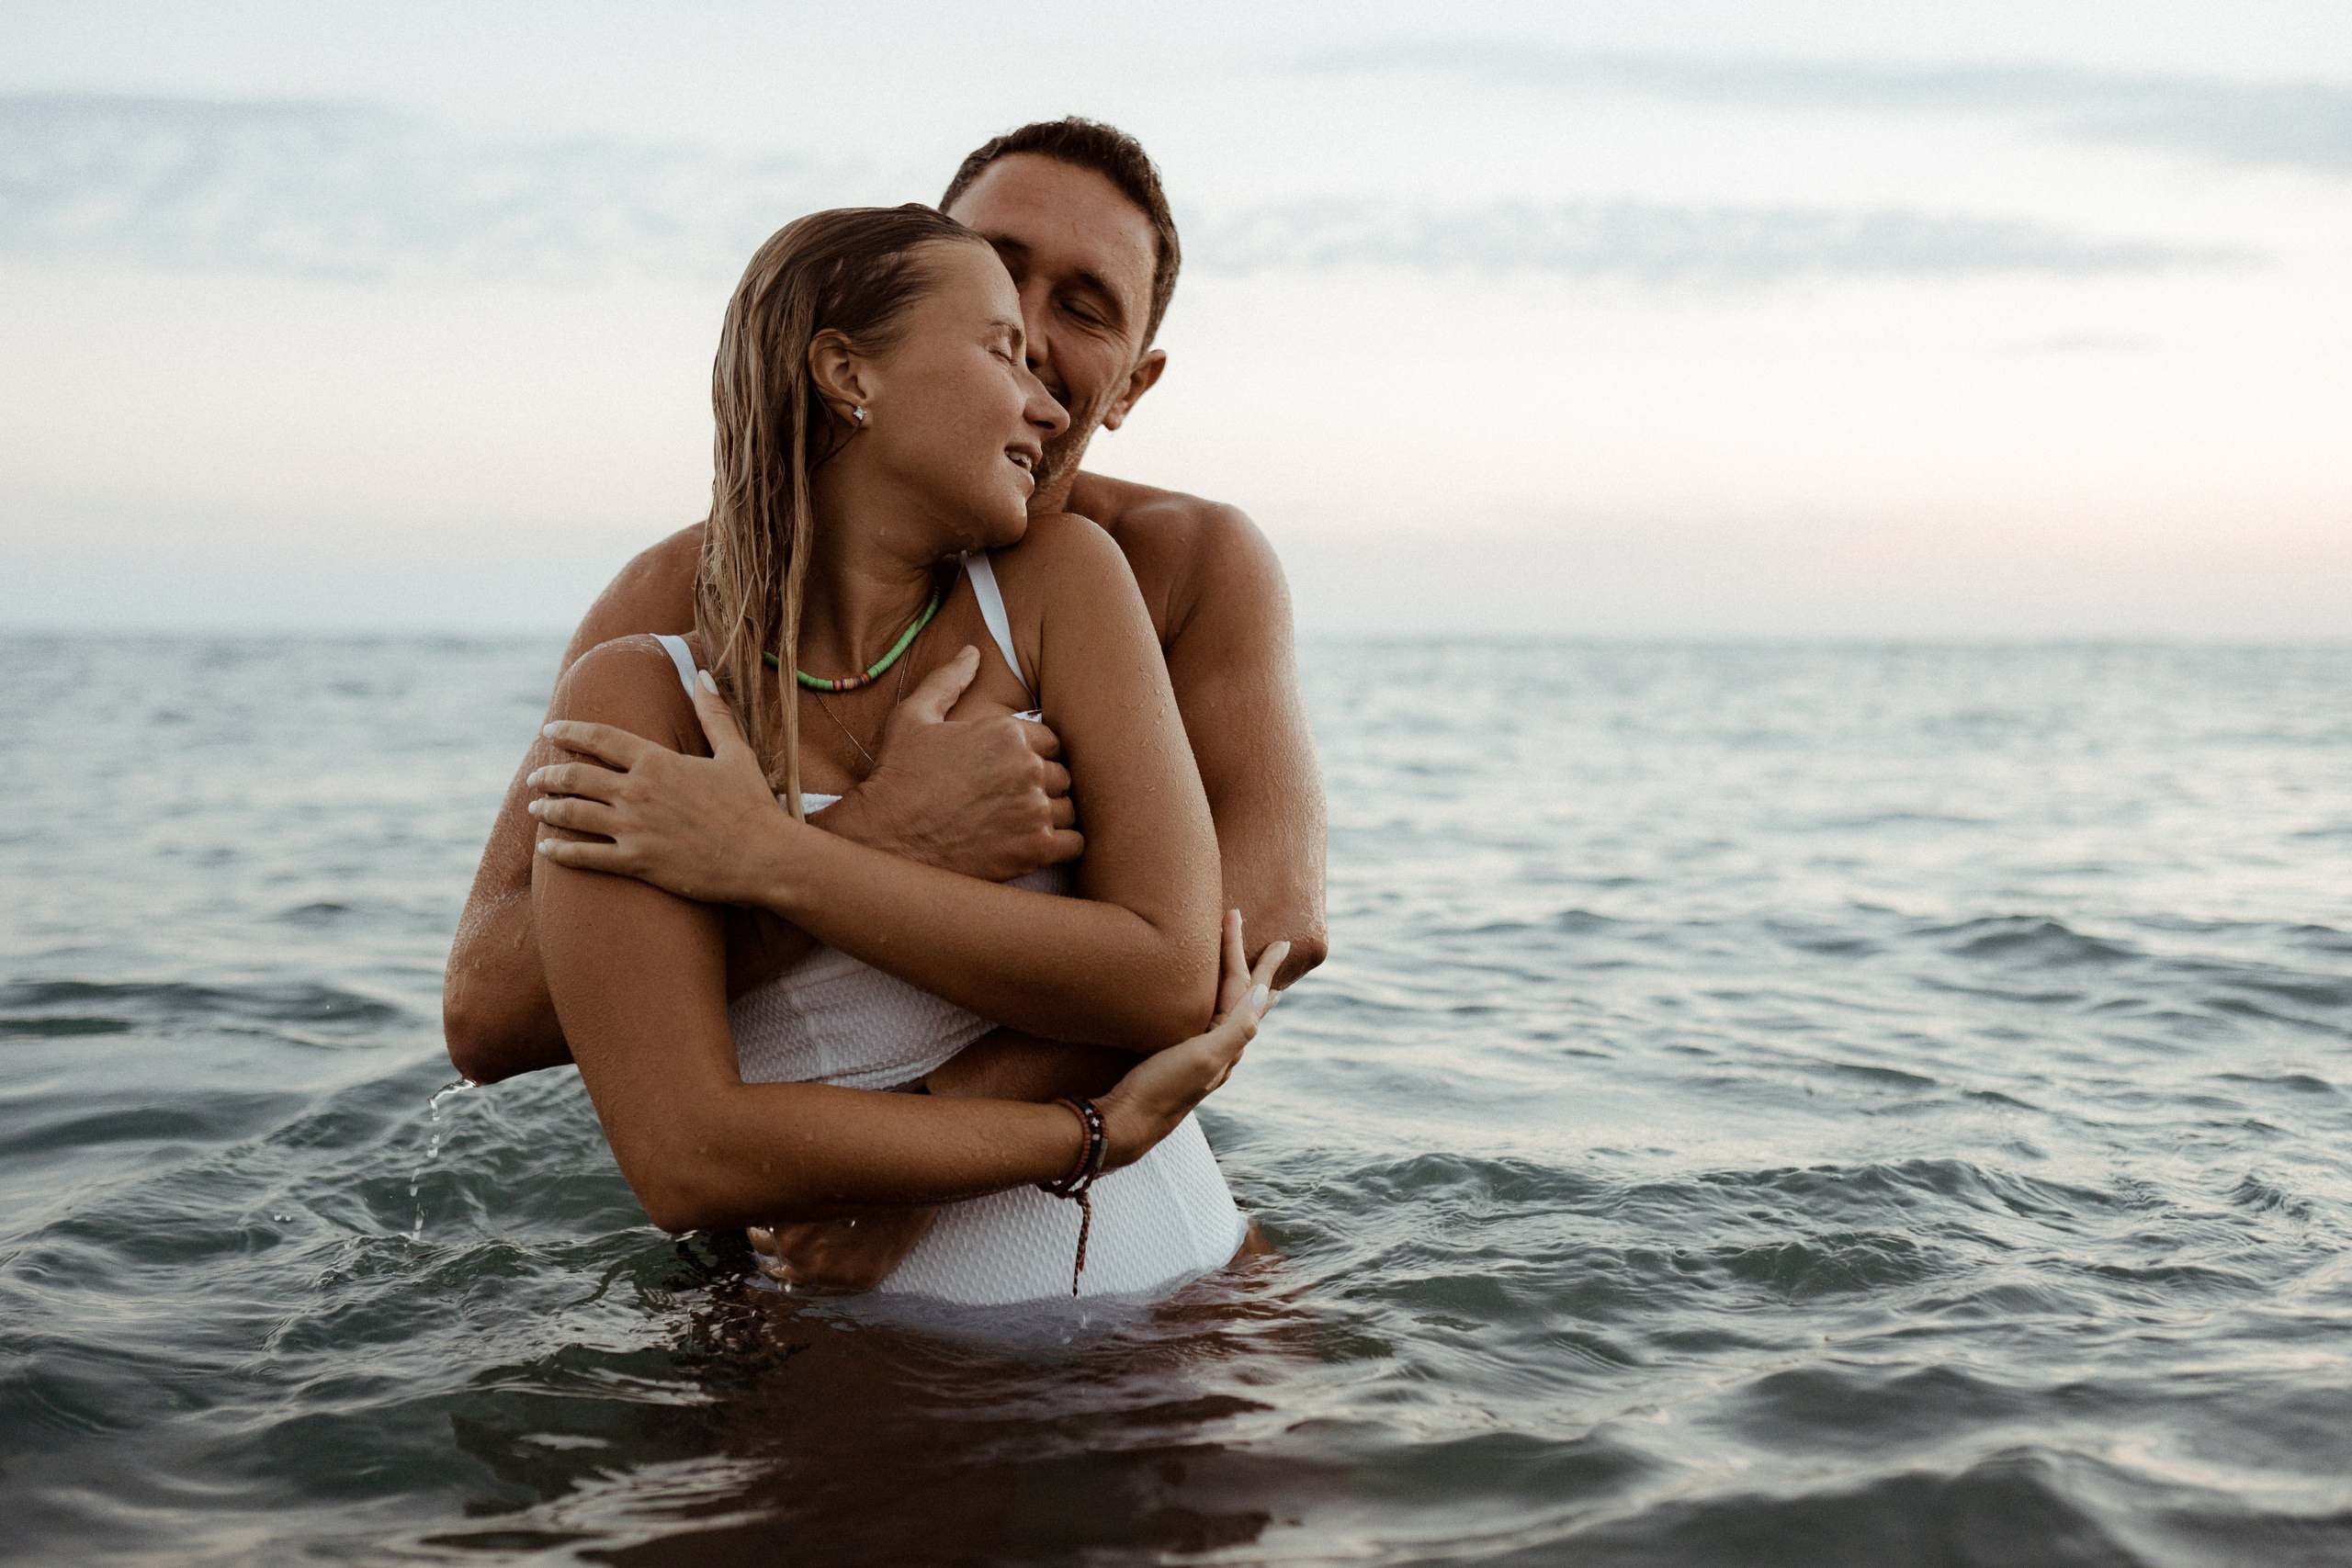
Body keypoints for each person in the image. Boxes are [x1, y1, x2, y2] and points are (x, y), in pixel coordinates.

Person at [445, 118, 1326, 1090]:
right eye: (996, 277)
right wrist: (878, 833)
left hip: (1047, 1167)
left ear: (1131, 386)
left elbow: (1265, 927)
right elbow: (490, 1014)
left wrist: (953, 1122)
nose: (1029, 333)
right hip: (778, 1183)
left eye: (1083, 309)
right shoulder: (679, 598)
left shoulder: (1182, 563)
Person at [532, 203, 1287, 1305]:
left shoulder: (1063, 584)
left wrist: (775, 860)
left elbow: (1170, 977)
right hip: (868, 1366)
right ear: (850, 373)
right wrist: (1090, 1134)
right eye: (1001, 350)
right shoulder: (643, 692)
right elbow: (683, 1157)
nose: (1044, 402)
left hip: (1192, 1326)